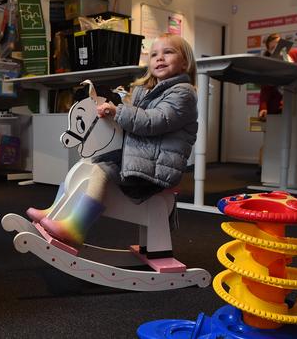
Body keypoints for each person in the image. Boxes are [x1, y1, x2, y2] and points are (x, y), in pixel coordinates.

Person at [27, 33, 198, 256]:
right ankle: (55, 212)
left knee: (100, 170)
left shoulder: (183, 94)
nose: (159, 58)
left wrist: (120, 112)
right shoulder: (149, 91)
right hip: (142, 158)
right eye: (154, 54)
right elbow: (135, 115)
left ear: (185, 62)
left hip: (155, 170)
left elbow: (152, 121)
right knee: (87, 163)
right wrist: (117, 103)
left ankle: (75, 228)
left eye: (168, 52)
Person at [258, 33, 297, 119]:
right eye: (272, 48)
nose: (276, 49)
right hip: (280, 103)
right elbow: (265, 90)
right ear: (269, 52)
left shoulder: (296, 53)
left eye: (278, 45)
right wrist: (263, 108)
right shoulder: (268, 65)